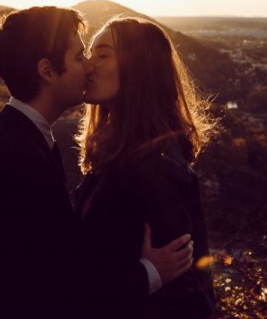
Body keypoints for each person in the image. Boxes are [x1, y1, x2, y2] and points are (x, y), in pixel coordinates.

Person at [0, 6, 194, 319]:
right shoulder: (15, 154)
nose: (87, 66)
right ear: (47, 71)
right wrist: (149, 273)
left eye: (98, 55)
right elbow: (48, 286)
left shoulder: (22, 139)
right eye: (79, 56)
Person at [76, 17, 217, 319]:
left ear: (138, 70)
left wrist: (147, 275)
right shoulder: (116, 156)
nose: (88, 65)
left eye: (103, 55)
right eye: (89, 54)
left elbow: (186, 291)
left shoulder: (156, 167)